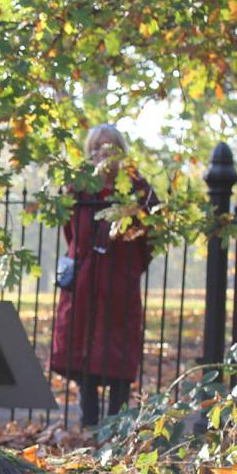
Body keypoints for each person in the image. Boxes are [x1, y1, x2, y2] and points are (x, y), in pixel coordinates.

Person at [50, 124, 155, 426]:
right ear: (90, 153)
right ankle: (88, 422)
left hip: (119, 283)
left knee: (118, 357)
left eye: (111, 147)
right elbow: (71, 233)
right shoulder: (79, 188)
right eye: (98, 148)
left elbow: (148, 235)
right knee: (83, 356)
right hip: (84, 284)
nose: (104, 154)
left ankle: (116, 426)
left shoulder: (137, 189)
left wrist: (128, 266)